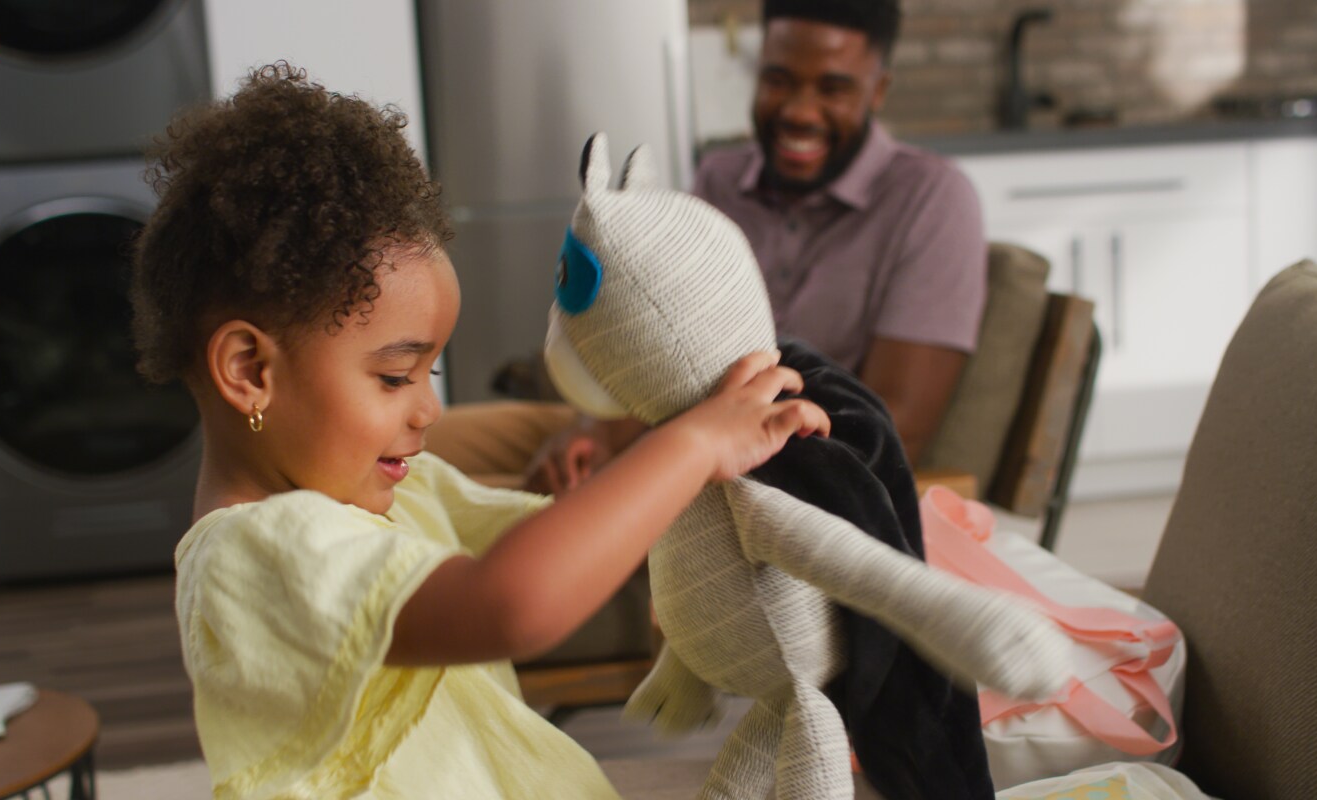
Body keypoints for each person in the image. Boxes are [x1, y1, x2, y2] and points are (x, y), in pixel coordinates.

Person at [130, 62, 828, 799]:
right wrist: (691, 445)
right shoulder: (254, 557)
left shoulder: (392, 493)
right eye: (396, 377)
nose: (427, 409)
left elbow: (572, 542)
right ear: (250, 370)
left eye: (429, 375)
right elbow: (512, 602)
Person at [519, 0, 985, 495]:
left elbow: (894, 431)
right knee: (457, 457)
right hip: (674, 436)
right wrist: (597, 433)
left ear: (878, 91)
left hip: (765, 483)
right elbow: (665, 345)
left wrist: (666, 460)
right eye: (778, 80)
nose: (799, 111)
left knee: (488, 522)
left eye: (833, 88)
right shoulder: (720, 177)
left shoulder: (931, 198)